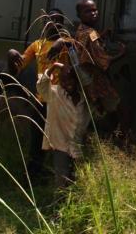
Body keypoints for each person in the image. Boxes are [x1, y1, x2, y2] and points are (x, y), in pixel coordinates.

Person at [6, 9, 69, 177]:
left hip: (62, 100)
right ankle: (33, 175)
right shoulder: (37, 45)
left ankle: (62, 178)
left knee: (61, 141)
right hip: (43, 100)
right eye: (51, 20)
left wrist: (62, 41)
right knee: (37, 139)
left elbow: (75, 45)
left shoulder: (68, 41)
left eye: (59, 20)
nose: (55, 23)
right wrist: (11, 55)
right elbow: (16, 69)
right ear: (44, 23)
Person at [37, 55, 90, 190]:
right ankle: (57, 208)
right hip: (60, 145)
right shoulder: (54, 94)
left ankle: (71, 208)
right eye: (64, 81)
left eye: (71, 79)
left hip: (77, 146)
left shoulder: (85, 99)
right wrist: (54, 66)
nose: (68, 84)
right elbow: (41, 85)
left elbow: (89, 81)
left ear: (76, 80)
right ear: (60, 82)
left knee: (77, 180)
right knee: (61, 181)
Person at [72, 0, 125, 114]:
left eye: (95, 10)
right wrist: (121, 53)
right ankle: (120, 132)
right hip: (96, 80)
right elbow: (102, 61)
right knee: (119, 108)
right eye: (88, 11)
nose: (94, 13)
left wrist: (101, 36)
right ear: (79, 15)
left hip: (87, 79)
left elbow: (89, 46)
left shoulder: (81, 30)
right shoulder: (90, 33)